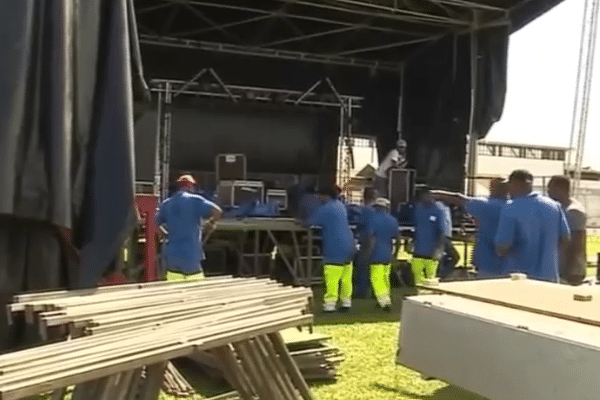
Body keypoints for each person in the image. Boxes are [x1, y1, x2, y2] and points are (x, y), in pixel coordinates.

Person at [495, 170, 570, 282]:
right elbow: (565, 238)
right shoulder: (554, 206)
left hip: (520, 278)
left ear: (516, 184)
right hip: (550, 277)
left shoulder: (511, 208)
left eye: (509, 185)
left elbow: (502, 246)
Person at [431, 178, 509, 277]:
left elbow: (459, 199)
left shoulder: (485, 205)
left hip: (487, 262)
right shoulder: (514, 207)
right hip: (510, 261)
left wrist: (434, 194)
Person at [156, 175, 222, 281]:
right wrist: (211, 223)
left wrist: (165, 234)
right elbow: (217, 211)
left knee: (174, 290)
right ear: (191, 186)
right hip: (190, 254)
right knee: (197, 290)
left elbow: (155, 224)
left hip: (172, 255)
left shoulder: (166, 204)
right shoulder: (195, 200)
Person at [308, 185, 356, 312]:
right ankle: (346, 302)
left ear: (326, 196)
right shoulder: (340, 206)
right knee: (346, 277)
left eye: (320, 195)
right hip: (349, 243)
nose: (318, 198)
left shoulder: (326, 208)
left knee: (332, 277)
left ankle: (330, 305)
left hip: (335, 246)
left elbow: (311, 221)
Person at [547, 175, 587, 285]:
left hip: (571, 271)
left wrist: (566, 272)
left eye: (551, 189)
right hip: (559, 268)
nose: (548, 193)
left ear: (563, 189)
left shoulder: (574, 211)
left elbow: (575, 244)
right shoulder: (558, 208)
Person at [411, 186, 452, 286]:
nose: (422, 200)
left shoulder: (440, 210)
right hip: (418, 250)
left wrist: (439, 250)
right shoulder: (419, 208)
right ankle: (419, 295)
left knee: (431, 278)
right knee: (417, 276)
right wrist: (412, 242)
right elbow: (416, 227)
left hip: (432, 251)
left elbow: (443, 232)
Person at [364, 197, 399, 310]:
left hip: (376, 253)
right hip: (388, 253)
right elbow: (397, 239)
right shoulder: (393, 220)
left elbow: (371, 237)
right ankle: (383, 300)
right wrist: (395, 254)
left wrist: (368, 252)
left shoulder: (373, 219)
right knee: (385, 278)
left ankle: (384, 302)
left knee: (377, 279)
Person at [354, 187, 378, 298]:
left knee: (363, 264)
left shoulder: (365, 210)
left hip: (367, 239)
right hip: (378, 239)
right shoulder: (379, 209)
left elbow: (360, 224)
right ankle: (375, 290)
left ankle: (362, 291)